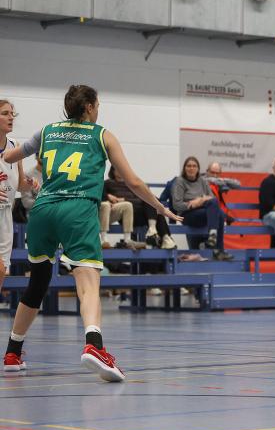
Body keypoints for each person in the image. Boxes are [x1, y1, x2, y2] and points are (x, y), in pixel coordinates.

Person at [2, 85, 181, 379]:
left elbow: (9, 157)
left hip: (43, 211)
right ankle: (94, 345)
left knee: (37, 283)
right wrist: (160, 207)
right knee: (88, 281)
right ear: (89, 107)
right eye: (97, 106)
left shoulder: (47, 131)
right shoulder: (102, 135)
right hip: (77, 210)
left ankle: (12, 352)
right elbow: (134, 182)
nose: (98, 110)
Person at [0, 100, 37, 297]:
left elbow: (20, 184)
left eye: (12, 114)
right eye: (5, 113)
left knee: (2, 271)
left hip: (5, 215)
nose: (11, 117)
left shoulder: (15, 146)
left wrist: (30, 184)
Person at [172, 156, 233, 261]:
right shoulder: (179, 181)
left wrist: (200, 200)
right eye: (189, 166)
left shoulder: (202, 181)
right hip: (187, 214)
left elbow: (212, 199)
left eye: (194, 166)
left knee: (219, 212)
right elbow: (177, 205)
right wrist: (192, 204)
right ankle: (218, 250)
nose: (191, 168)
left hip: (203, 213)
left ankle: (213, 237)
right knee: (220, 214)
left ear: (198, 169)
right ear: (184, 168)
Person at [103, 166, 176, 249]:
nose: (120, 171)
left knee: (152, 201)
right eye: (117, 169)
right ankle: (165, 237)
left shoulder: (130, 183)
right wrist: (109, 197)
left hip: (141, 212)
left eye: (121, 169)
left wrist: (124, 199)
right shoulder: (108, 183)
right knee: (152, 207)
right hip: (126, 215)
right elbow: (103, 197)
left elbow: (140, 198)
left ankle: (156, 232)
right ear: (113, 171)